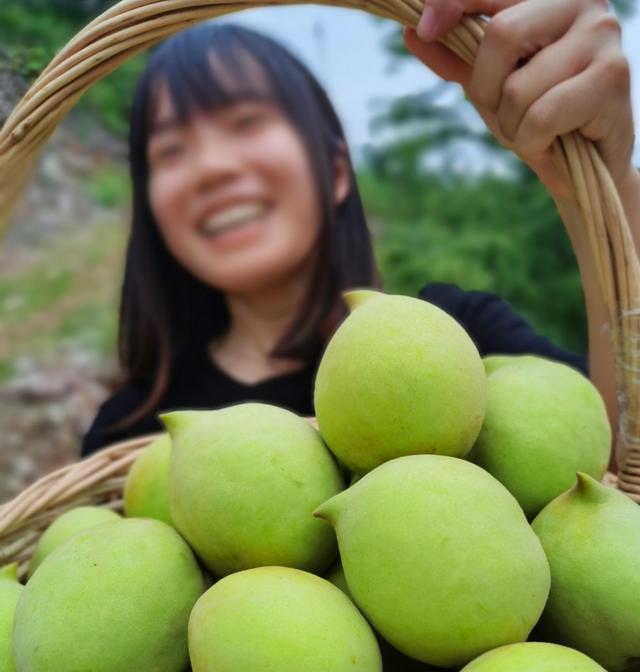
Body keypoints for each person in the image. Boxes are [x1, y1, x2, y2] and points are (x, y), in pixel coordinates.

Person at [81, 0, 640, 459]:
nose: (212, 168)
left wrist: (595, 183)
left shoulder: (457, 344)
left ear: (337, 172)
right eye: (171, 150)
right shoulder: (129, 431)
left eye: (246, 122)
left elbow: (611, 462)